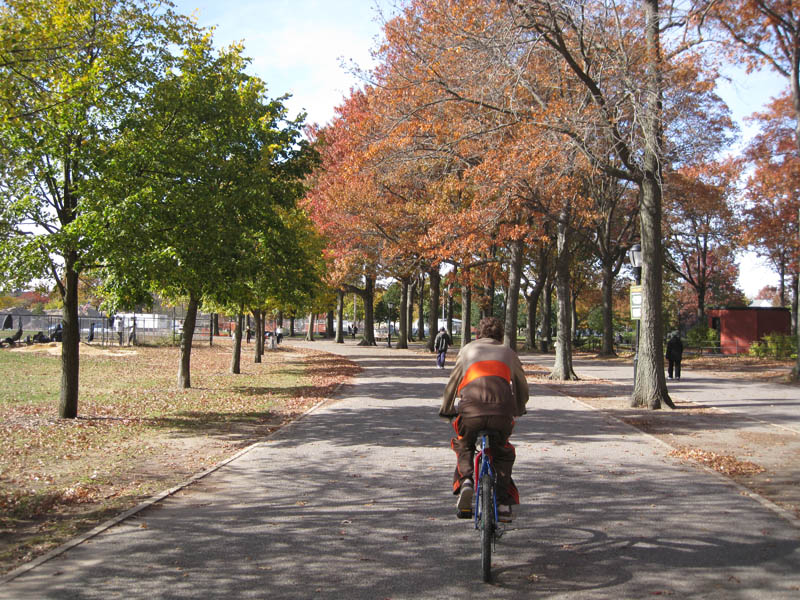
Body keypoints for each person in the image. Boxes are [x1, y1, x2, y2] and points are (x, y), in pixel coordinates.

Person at [439, 317, 529, 523]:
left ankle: (467, 481)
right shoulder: (509, 353)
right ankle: (502, 502)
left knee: (463, 443)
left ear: (478, 334)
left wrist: (446, 409)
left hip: (471, 411)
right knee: (503, 453)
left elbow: (452, 384)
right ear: (500, 336)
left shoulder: (468, 351)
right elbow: (522, 386)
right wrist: (520, 408)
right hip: (502, 412)